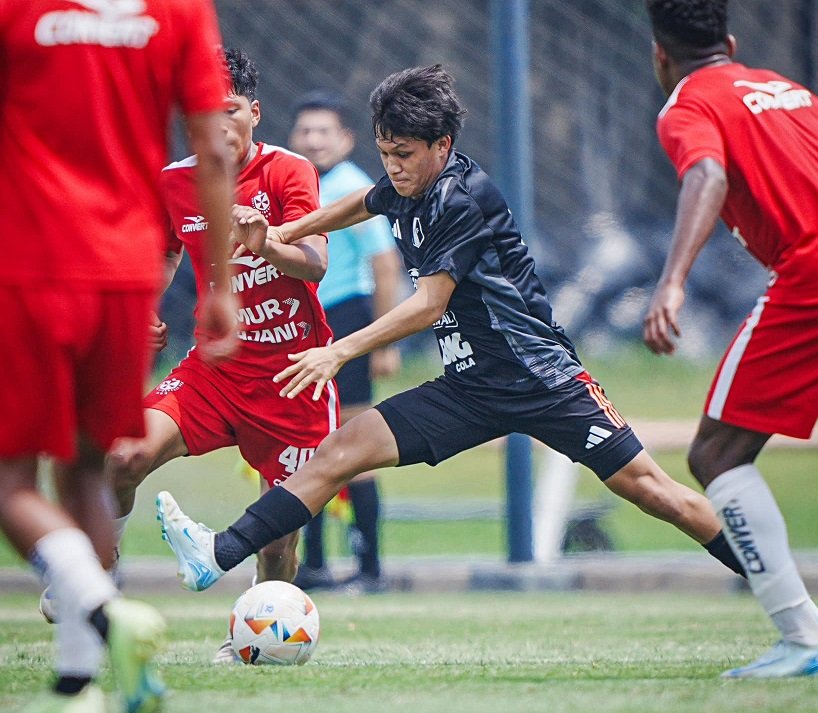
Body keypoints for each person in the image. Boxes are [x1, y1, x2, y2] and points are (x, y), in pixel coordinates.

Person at [156, 64, 748, 618]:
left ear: (442, 146)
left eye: (405, 155)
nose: (393, 168)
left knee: (653, 493)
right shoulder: (404, 183)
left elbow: (429, 304)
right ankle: (218, 553)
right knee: (337, 453)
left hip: (540, 379)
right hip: (470, 388)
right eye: (385, 153)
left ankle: (768, 580)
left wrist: (340, 350)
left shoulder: (459, 197)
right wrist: (285, 230)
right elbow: (360, 203)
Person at [0, 0, 237, 710]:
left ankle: (107, 612)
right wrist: (219, 284)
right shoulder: (179, 11)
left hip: (32, 265)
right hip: (127, 274)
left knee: (10, 481)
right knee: (84, 473)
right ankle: (80, 680)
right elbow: (214, 148)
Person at [102, 48, 336, 665]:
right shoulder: (175, 179)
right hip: (215, 372)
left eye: (229, 110)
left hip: (294, 377)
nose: (218, 126)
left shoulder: (289, 172)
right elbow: (162, 250)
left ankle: (250, 645)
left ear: (254, 113)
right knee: (123, 455)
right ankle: (101, 568)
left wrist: (270, 244)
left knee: (278, 544)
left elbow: (316, 261)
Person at [643, 0, 818, 678]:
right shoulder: (789, 88)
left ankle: (802, 636)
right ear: (732, 41)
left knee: (716, 451)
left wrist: (672, 281)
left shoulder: (688, 104)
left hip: (809, 272)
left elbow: (708, 174)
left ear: (660, 56)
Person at [287, 89, 402, 594]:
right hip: (304, 327)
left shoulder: (355, 187)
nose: (313, 140)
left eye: (323, 131)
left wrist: (384, 343)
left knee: (354, 445)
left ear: (346, 139)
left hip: (347, 322)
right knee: (307, 446)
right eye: (305, 131)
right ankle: (312, 564)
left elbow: (385, 265)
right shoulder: (294, 183)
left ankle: (370, 565)